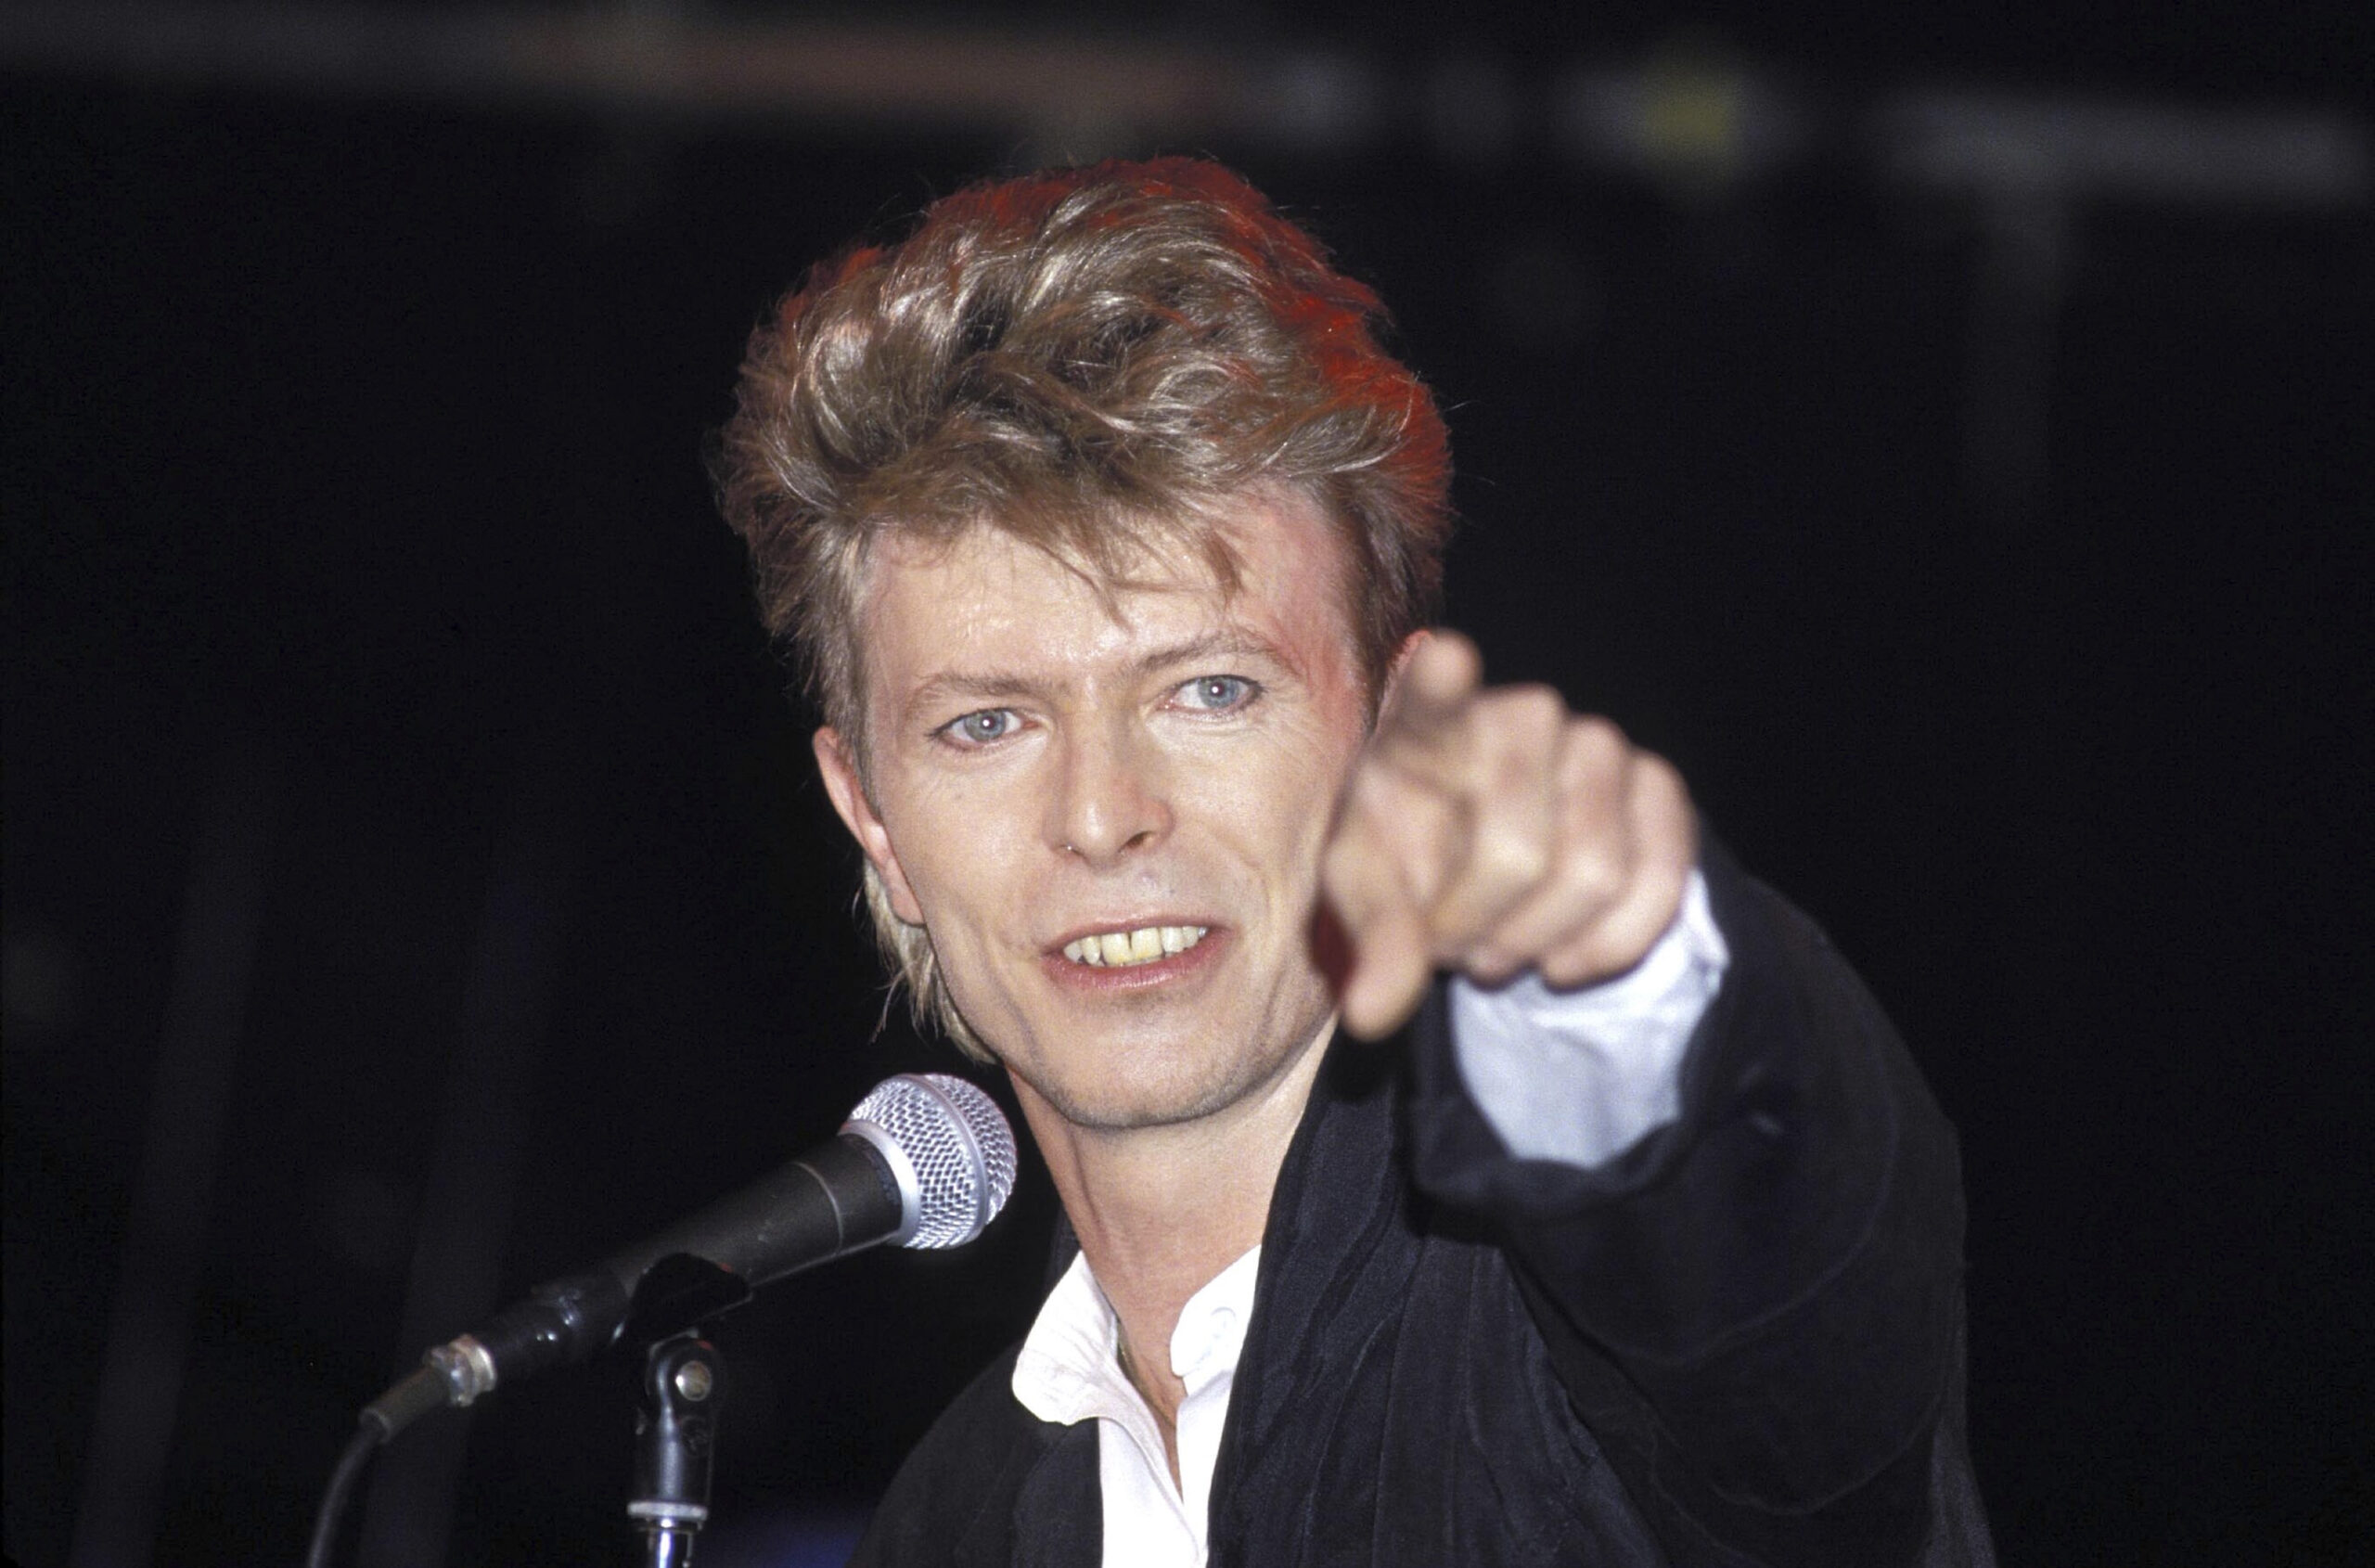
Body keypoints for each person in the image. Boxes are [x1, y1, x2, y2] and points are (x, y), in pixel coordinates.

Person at [716, 158, 1994, 1567]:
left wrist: (1626, 999)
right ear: (872, 818)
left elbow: (1777, 1320)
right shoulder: (946, 1525)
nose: (1102, 814)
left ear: (1393, 739)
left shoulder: (1575, 1349)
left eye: (1210, 690)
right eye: (988, 722)